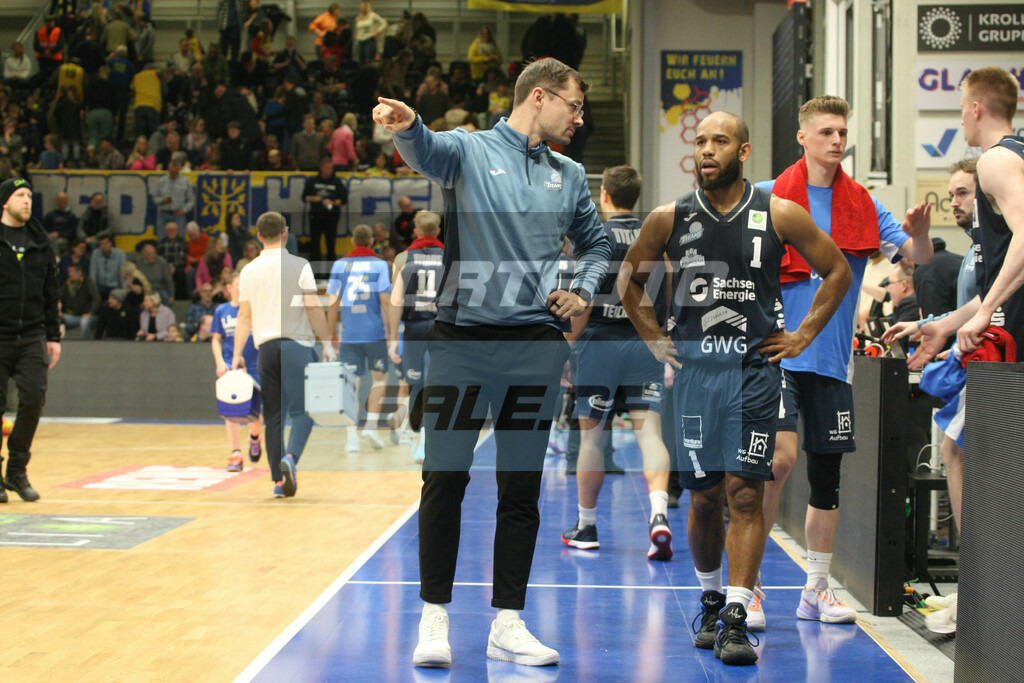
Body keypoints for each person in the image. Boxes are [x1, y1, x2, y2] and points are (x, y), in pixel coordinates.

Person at [373, 57, 612, 669]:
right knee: (443, 481)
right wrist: (406, 124)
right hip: (460, 343)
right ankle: (434, 618)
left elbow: (598, 243)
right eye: (574, 106)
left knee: (521, 490)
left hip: (532, 345)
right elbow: (424, 148)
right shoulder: (470, 151)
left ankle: (508, 622)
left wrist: (582, 288)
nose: (579, 119)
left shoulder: (570, 173)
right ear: (540, 97)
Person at [619, 111, 850, 666]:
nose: (706, 150)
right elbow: (628, 280)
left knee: (745, 493)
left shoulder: (780, 213)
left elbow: (837, 270)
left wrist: (804, 334)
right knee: (701, 500)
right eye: (699, 141)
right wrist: (654, 338)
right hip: (696, 376)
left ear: (743, 152)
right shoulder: (668, 216)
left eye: (719, 141)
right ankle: (710, 599)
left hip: (753, 373)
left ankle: (737, 617)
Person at [754, 95, 934, 632]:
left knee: (827, 477)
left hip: (832, 359)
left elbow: (916, 258)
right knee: (778, 462)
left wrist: (919, 232)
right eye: (827, 131)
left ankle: (816, 588)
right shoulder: (765, 197)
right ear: (803, 137)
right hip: (778, 353)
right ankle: (752, 583)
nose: (837, 140)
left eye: (842, 132)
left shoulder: (864, 205)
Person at [560, 165, 675, 560]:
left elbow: (583, 301)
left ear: (604, 195)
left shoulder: (597, 237)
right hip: (644, 345)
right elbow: (672, 285)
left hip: (600, 348)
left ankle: (587, 525)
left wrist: (566, 348)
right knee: (650, 435)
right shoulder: (654, 233)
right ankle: (659, 515)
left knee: (593, 438)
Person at [883, 158, 980, 539]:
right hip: (975, 369)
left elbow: (992, 304)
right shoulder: (975, 251)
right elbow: (979, 304)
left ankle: (976, 582)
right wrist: (929, 325)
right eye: (951, 194)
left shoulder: (999, 244)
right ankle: (973, 582)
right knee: (956, 455)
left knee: (955, 454)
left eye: (963, 193)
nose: (953, 202)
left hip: (999, 370)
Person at [233, 211, 337, 498]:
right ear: (285, 233)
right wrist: (327, 342)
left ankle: (279, 482)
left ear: (258, 236)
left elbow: (244, 317)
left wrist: (236, 356)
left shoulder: (248, 270)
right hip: (297, 346)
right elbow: (314, 307)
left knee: (274, 416)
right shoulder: (300, 264)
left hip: (265, 348)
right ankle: (291, 457)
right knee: (304, 411)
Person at [0, 178, 61, 503]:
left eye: (29, 196)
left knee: (34, 398)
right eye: (20, 195)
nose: (27, 201)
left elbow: (52, 292)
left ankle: (17, 471)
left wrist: (54, 335)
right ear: (4, 202)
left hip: (33, 335)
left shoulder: (40, 241)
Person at [326, 225, 392, 452]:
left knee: (350, 384)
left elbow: (332, 302)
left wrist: (329, 332)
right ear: (372, 241)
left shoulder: (339, 265)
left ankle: (350, 437)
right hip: (374, 333)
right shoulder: (380, 265)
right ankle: (371, 426)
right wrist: (391, 330)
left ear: (353, 242)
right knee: (380, 380)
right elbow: (385, 300)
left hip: (350, 334)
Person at [387, 210, 443, 463]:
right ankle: (430, 440)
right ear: (438, 231)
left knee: (416, 385)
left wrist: (392, 337)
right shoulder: (450, 257)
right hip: (442, 327)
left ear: (416, 231)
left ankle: (417, 437)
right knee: (439, 385)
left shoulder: (402, 258)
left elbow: (395, 300)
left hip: (414, 329)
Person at [212, 270, 263, 472]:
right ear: (229, 288)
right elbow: (216, 339)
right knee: (230, 412)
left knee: (255, 414)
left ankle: (254, 436)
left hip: (253, 366)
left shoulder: (254, 311)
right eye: (238, 284)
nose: (241, 287)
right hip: (230, 367)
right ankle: (236, 454)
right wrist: (219, 362)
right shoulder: (222, 311)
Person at [303, 156, 348, 264]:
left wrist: (333, 202)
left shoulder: (336, 182)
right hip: (316, 216)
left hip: (331, 217)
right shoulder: (313, 181)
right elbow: (305, 197)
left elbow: (343, 199)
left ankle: (330, 272)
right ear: (321, 168)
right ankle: (315, 271)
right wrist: (315, 199)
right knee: (315, 244)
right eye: (326, 168)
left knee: (331, 244)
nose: (329, 170)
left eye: (331, 168)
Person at [60, 262, 101, 340]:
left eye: (72, 272)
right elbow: (58, 297)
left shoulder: (88, 282)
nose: (69, 274)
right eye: (69, 272)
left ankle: (83, 344)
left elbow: (97, 298)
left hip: (88, 316)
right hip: (72, 316)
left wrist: (90, 312)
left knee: (84, 321)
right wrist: (58, 311)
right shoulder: (67, 284)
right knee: (56, 318)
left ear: (79, 272)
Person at [90, 234, 126, 299]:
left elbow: (122, 274)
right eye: (102, 244)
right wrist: (93, 289)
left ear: (111, 243)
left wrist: (124, 290)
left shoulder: (120, 254)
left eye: (106, 243)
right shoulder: (95, 253)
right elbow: (93, 273)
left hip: (115, 286)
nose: (104, 246)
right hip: (101, 286)